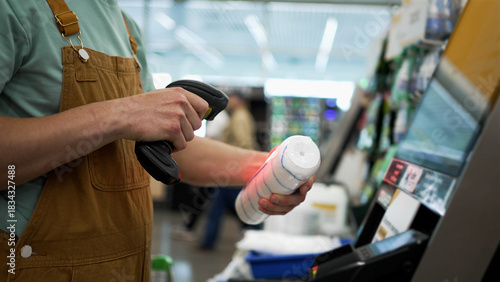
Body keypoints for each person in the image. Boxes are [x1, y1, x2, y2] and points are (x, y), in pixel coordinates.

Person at [0, 0, 315, 281]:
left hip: (125, 266)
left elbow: (176, 147)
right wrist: (121, 114)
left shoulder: (127, 28)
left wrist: (270, 165)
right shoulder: (15, 8)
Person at [200, 90, 261, 250]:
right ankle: (254, 239)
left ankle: (254, 240)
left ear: (239, 100)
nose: (229, 102)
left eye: (232, 98)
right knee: (235, 208)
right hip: (234, 169)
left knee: (223, 208)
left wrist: (238, 161)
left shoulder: (239, 117)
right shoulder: (241, 115)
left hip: (234, 169)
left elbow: (243, 142)